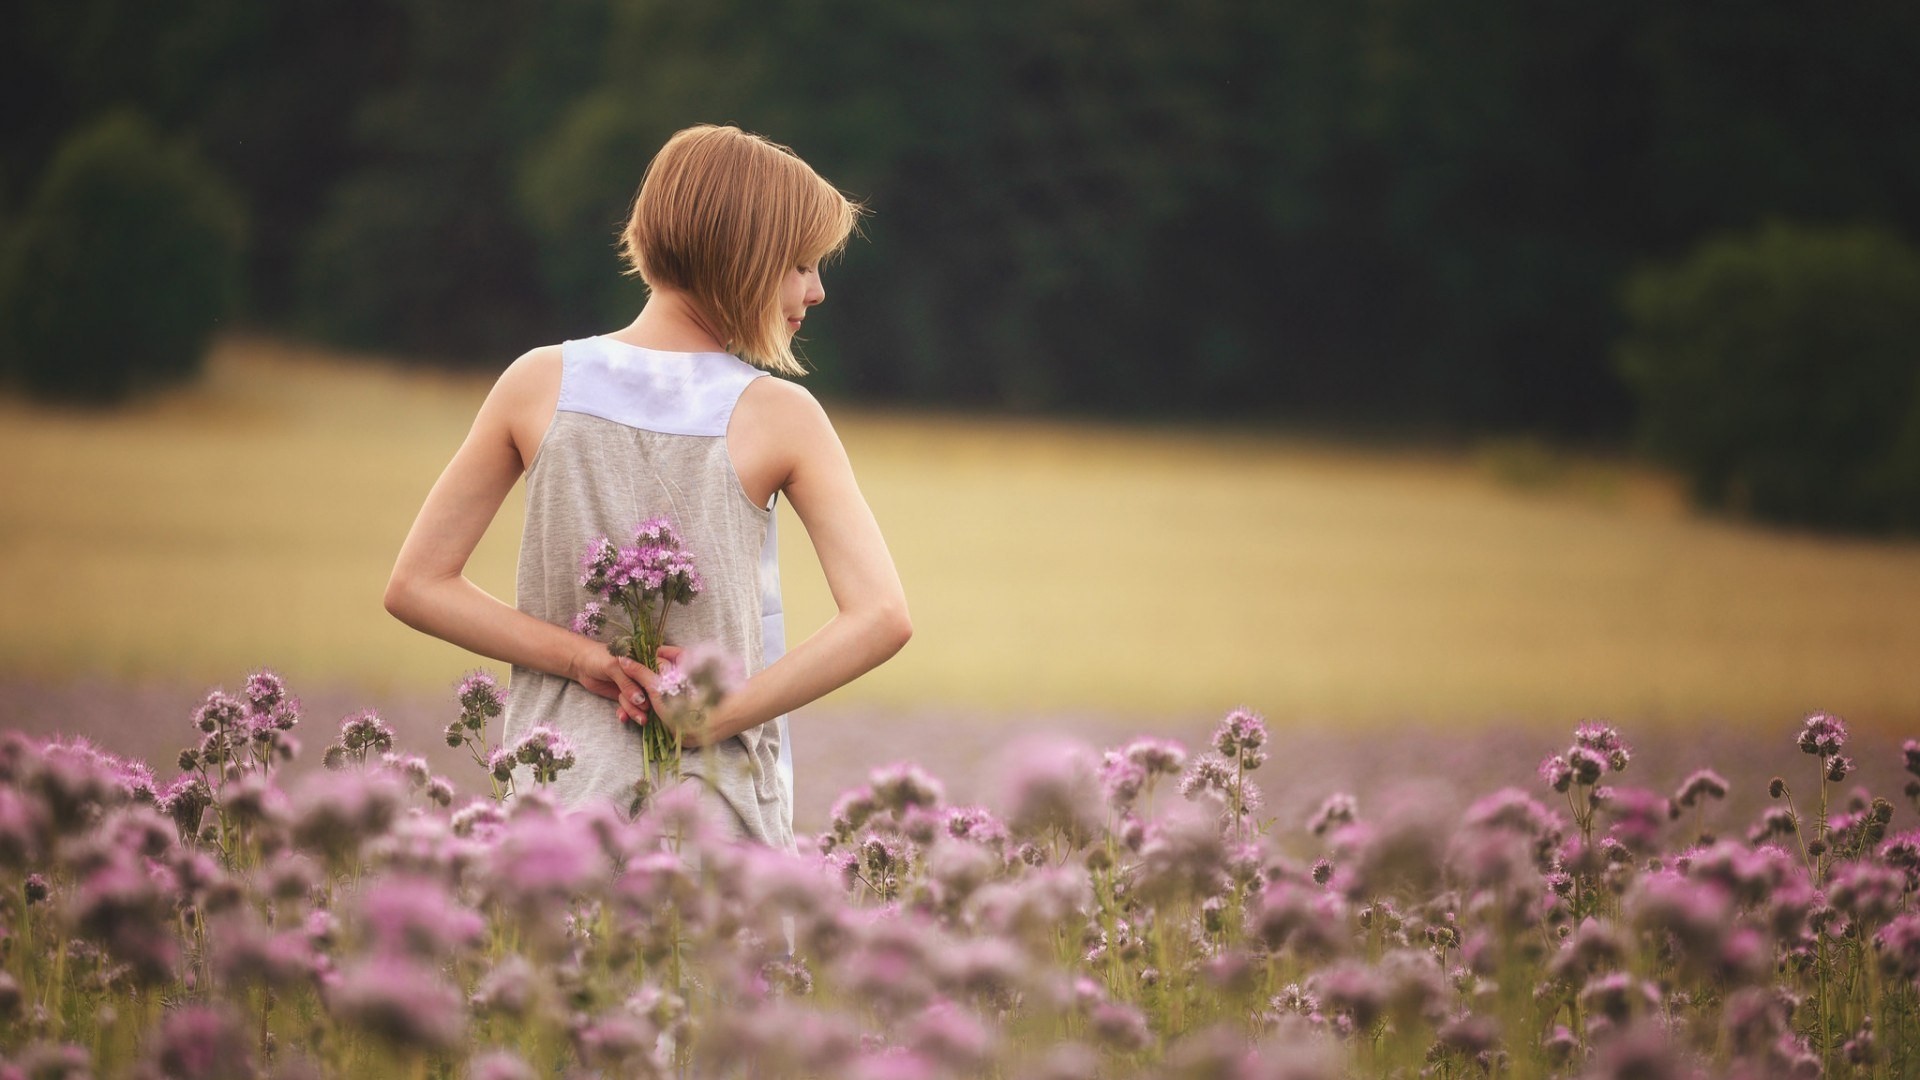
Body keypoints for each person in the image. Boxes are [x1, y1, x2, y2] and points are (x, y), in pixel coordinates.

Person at [384, 125, 911, 851]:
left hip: (555, 811)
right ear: (744, 257)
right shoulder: (782, 417)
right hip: (709, 819)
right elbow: (882, 615)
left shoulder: (537, 382)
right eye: (800, 264)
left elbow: (418, 584)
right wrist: (719, 717)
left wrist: (583, 660)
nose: (816, 291)